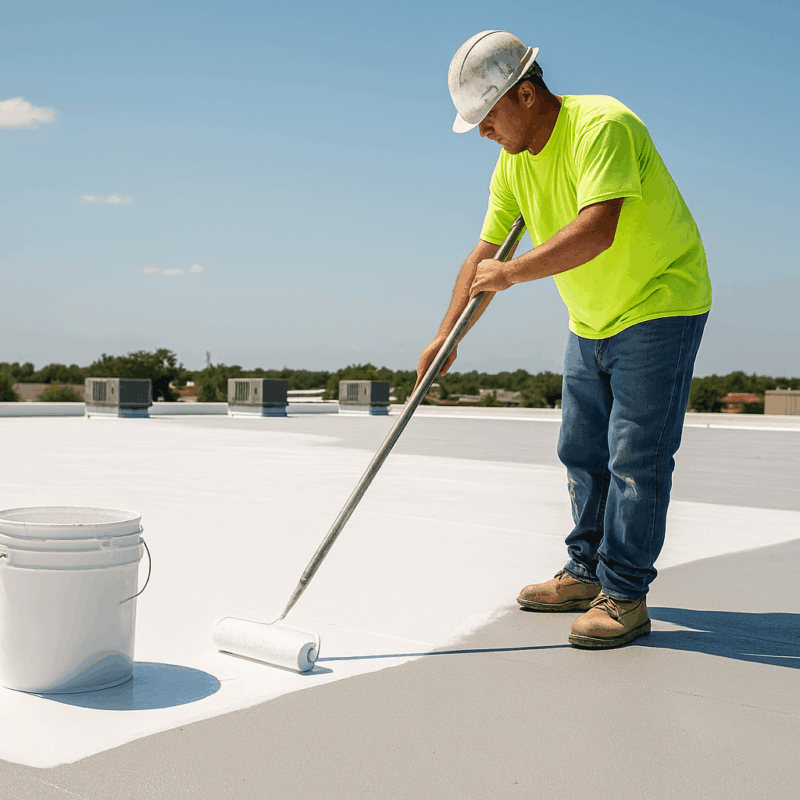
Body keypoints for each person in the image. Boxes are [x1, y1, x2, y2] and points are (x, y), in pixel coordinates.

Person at [415, 30, 712, 649]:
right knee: (581, 449)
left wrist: (512, 274)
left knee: (635, 457)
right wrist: (446, 338)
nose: (481, 133)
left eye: (486, 117)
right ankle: (585, 572)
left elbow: (596, 229)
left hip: (660, 303)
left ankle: (625, 595)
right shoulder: (513, 165)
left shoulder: (603, 125)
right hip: (590, 317)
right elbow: (485, 255)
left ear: (525, 95)